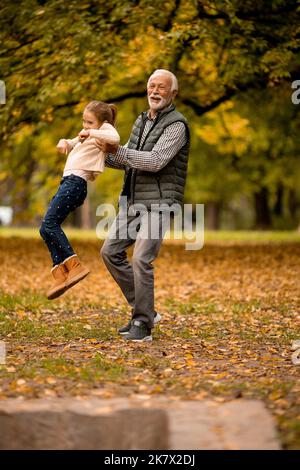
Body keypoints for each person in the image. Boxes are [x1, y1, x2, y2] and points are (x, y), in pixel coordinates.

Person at [100, 69, 190, 342]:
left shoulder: (177, 125)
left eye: (161, 87)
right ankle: (146, 310)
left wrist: (117, 151)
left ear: (173, 93)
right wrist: (96, 148)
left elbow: (155, 161)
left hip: (161, 203)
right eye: (151, 85)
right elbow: (124, 158)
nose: (155, 91)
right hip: (133, 200)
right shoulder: (141, 120)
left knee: (141, 258)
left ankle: (142, 322)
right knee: (110, 251)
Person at [40, 101, 120, 300]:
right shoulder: (88, 132)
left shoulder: (104, 130)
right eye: (83, 121)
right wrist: (65, 142)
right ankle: (60, 273)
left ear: (102, 122)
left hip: (76, 183)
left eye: (89, 122)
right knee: (45, 228)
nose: (85, 125)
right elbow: (74, 141)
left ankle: (74, 265)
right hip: (68, 182)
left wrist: (92, 132)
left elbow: (115, 138)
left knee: (49, 224)